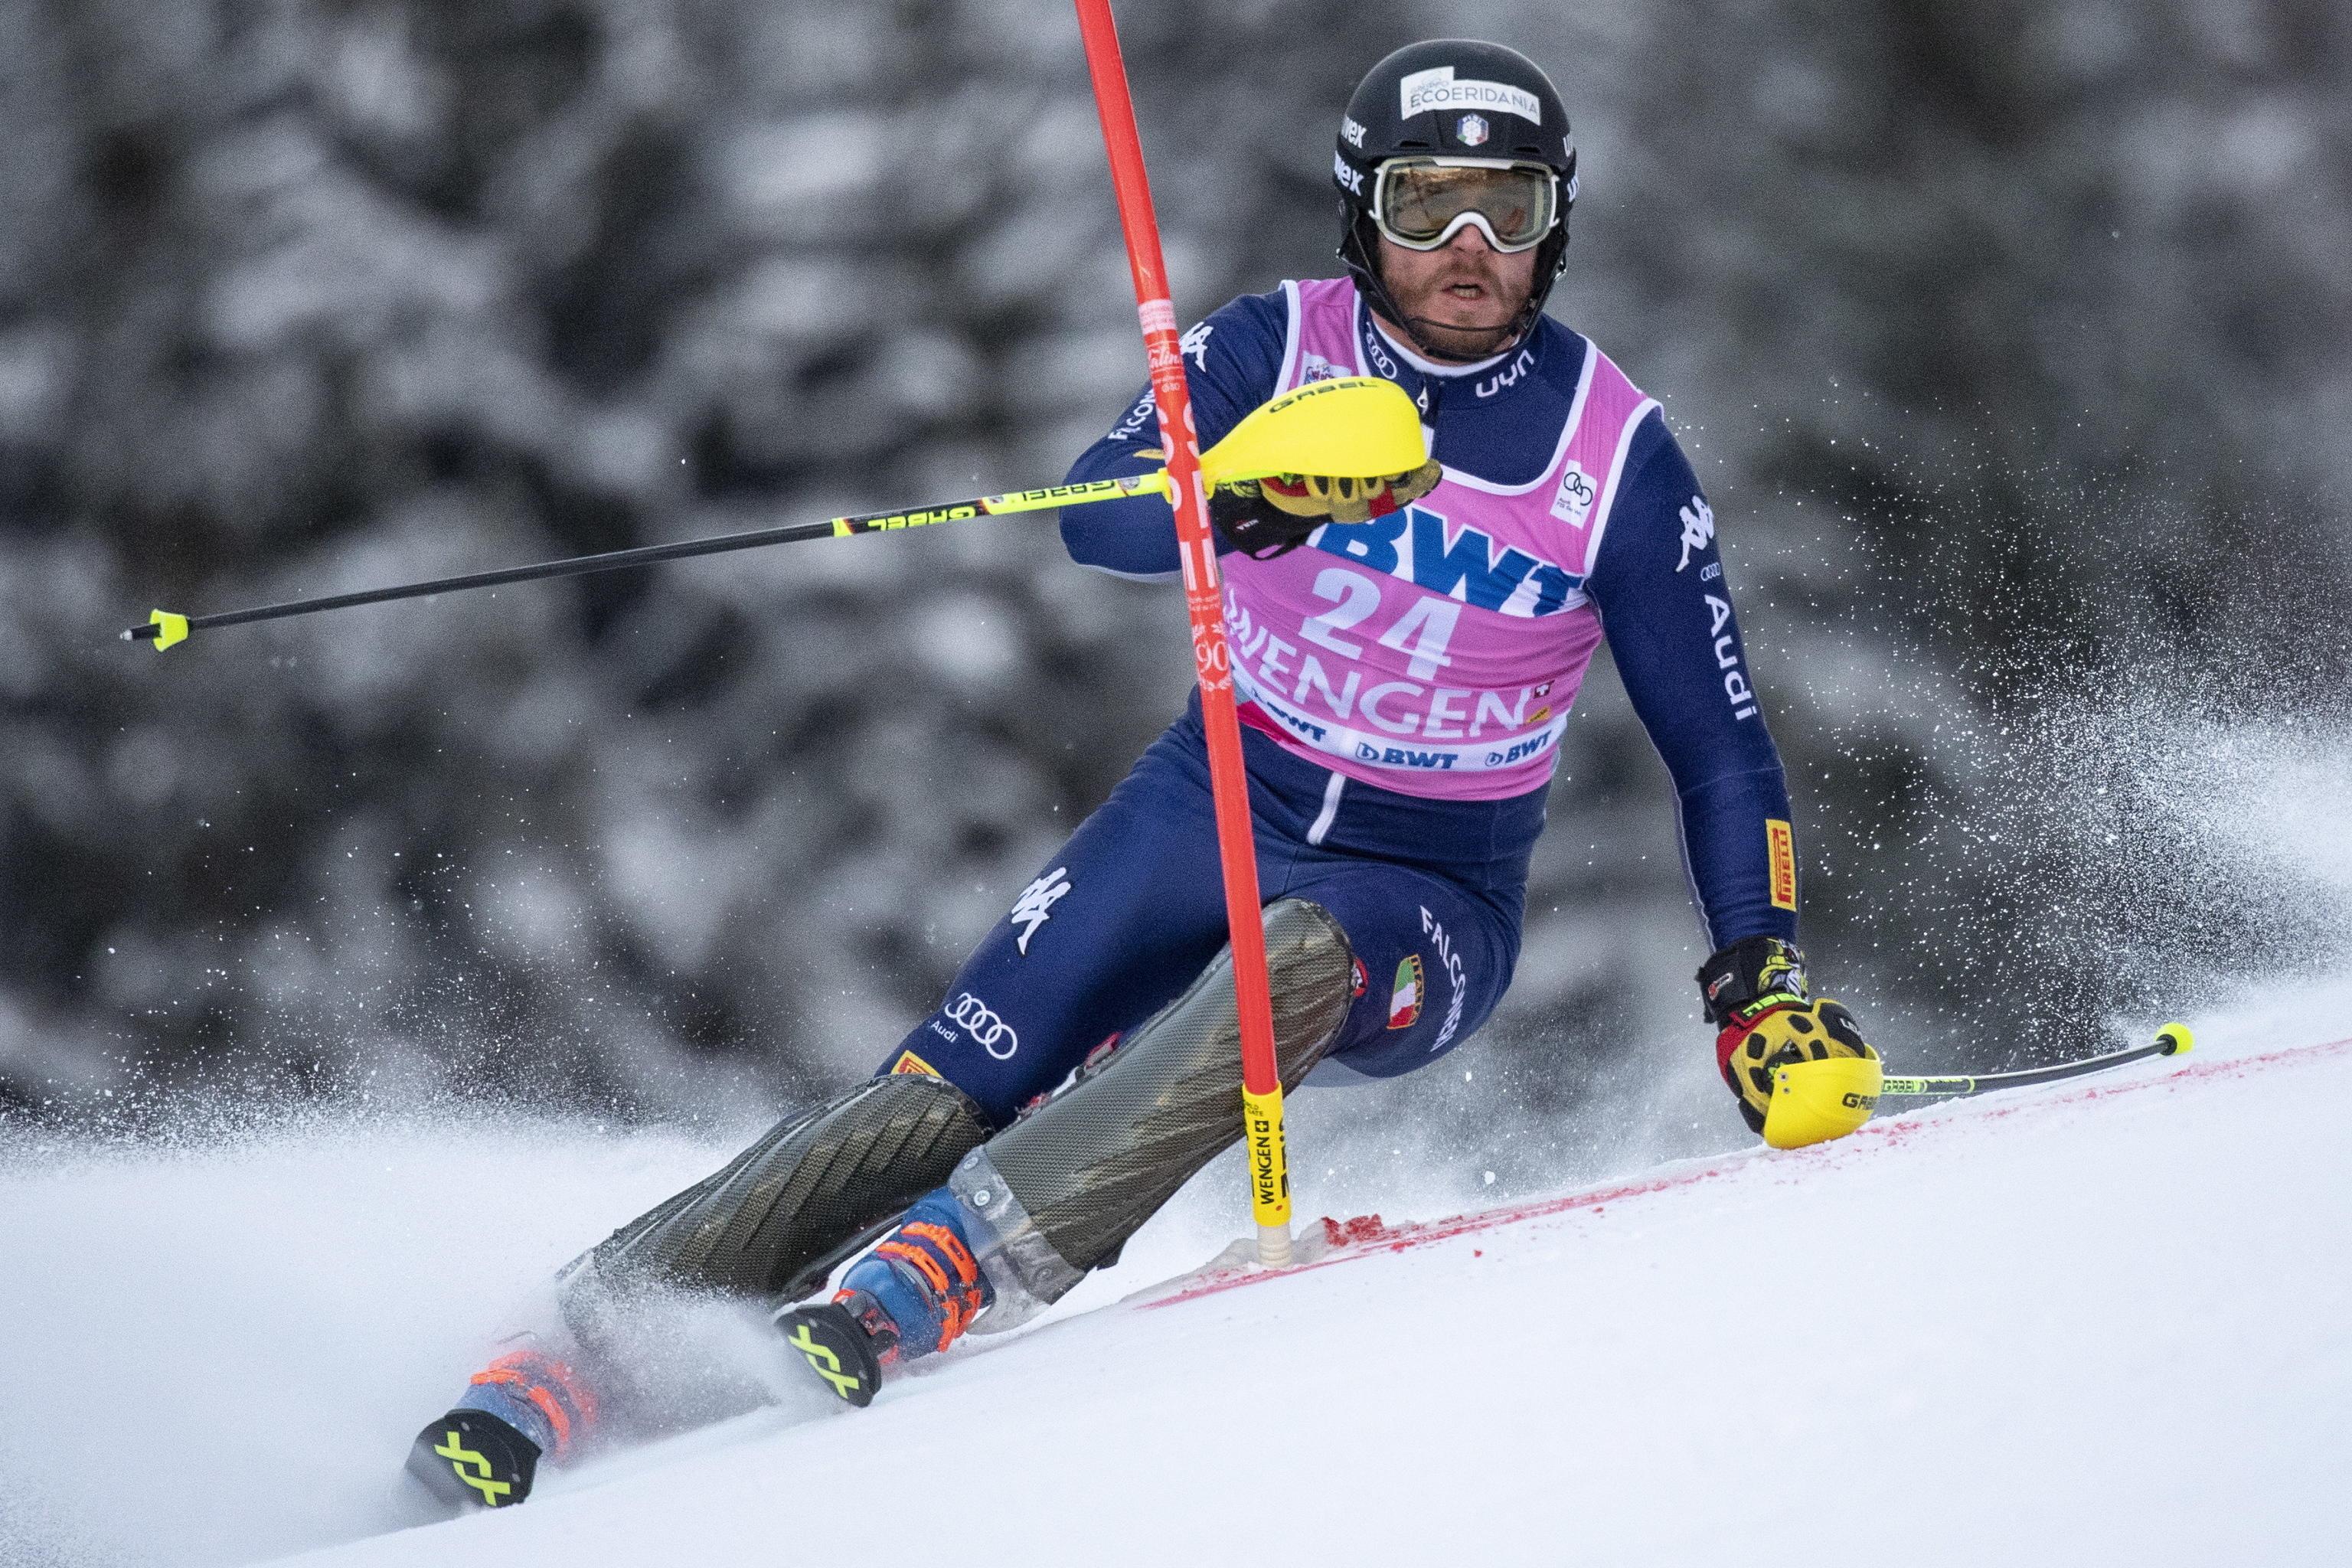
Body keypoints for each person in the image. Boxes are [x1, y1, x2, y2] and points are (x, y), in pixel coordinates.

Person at [404, 38, 1877, 1511]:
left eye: (1513, 208)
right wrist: (1236, 495)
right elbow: (1094, 517)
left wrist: (1758, 972)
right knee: (952, 1081)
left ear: (1562, 221)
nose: (1471, 251)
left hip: (1430, 885)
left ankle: (957, 1263)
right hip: (1217, 797)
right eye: (1430, 206)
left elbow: (1720, 741)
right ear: (1364, 214)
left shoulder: (1613, 453)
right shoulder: (1270, 348)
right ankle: (583, 1350)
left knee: (1285, 973)